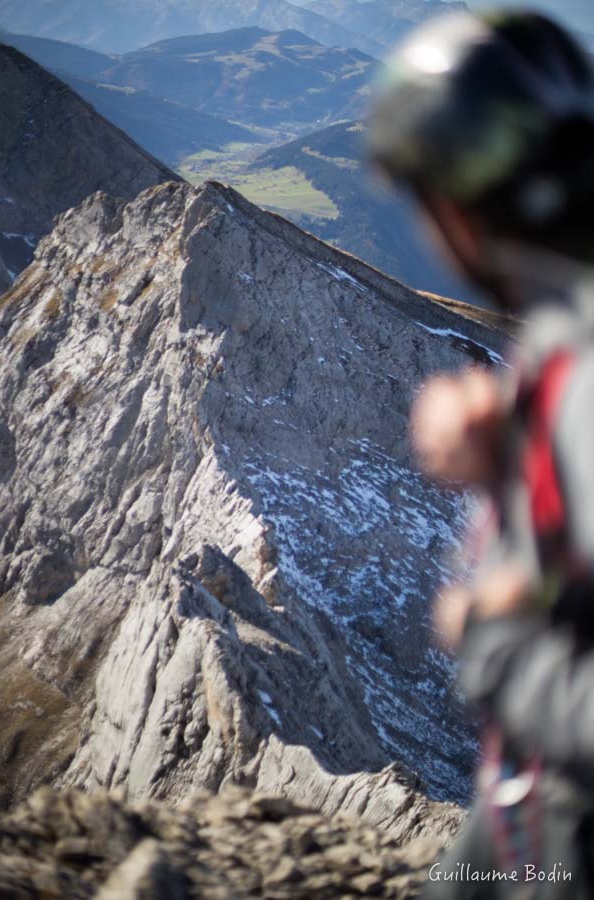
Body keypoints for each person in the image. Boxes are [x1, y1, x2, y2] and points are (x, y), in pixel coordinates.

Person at [369, 9, 594, 898]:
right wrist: (516, 434)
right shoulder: (567, 329)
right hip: (526, 823)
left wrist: (492, 643)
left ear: (463, 207)